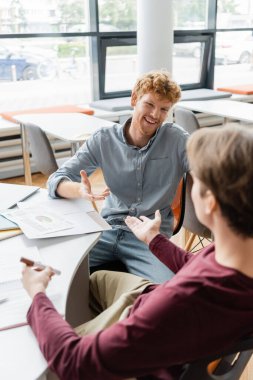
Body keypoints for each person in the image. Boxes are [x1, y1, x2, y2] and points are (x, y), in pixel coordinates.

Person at [22, 125, 253, 380]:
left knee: (36, 346)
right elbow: (197, 264)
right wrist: (154, 240)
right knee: (94, 281)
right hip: (155, 302)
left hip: (146, 336)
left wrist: (37, 296)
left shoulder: (183, 303)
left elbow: (75, 361)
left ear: (210, 202)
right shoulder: (237, 252)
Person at [47, 70, 188, 283]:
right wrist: (79, 190)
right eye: (149, 104)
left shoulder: (176, 139)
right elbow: (57, 179)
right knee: (56, 273)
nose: (155, 115)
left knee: (171, 295)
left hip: (149, 237)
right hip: (106, 230)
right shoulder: (104, 139)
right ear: (134, 99)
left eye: (163, 109)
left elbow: (209, 171)